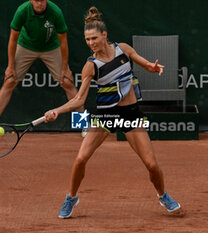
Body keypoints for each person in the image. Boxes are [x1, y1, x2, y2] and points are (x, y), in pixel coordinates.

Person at [44, 6, 181, 219]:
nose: (91, 43)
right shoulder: (91, 66)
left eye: (94, 38)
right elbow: (79, 99)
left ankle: (163, 195)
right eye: (87, 39)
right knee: (80, 159)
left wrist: (152, 68)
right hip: (105, 115)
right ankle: (71, 197)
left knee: (152, 164)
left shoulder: (123, 50)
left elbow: (144, 64)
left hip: (131, 115)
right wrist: (56, 111)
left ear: (104, 35)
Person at [0, 0, 85, 137]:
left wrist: (65, 68)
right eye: (36, 0)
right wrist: (10, 66)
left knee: (66, 81)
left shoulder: (55, 12)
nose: (39, 3)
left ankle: (84, 126)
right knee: (10, 80)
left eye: (42, 0)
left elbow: (63, 41)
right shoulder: (22, 11)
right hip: (26, 46)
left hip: (51, 48)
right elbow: (12, 39)